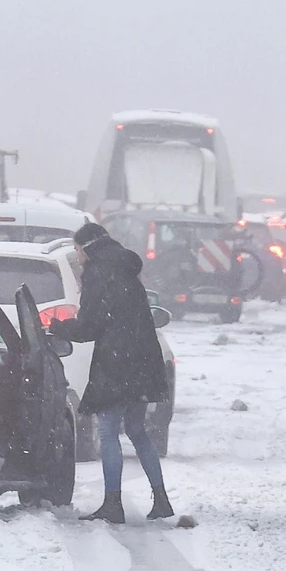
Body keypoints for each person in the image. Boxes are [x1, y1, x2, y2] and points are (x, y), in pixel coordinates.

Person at [49, 221, 175, 524]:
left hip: (117, 363)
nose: (77, 257)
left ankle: (112, 503)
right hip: (144, 360)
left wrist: (58, 328)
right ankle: (160, 498)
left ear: (88, 248)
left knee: (107, 432)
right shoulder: (125, 267)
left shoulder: (98, 273)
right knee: (136, 430)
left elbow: (91, 325)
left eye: (78, 250)